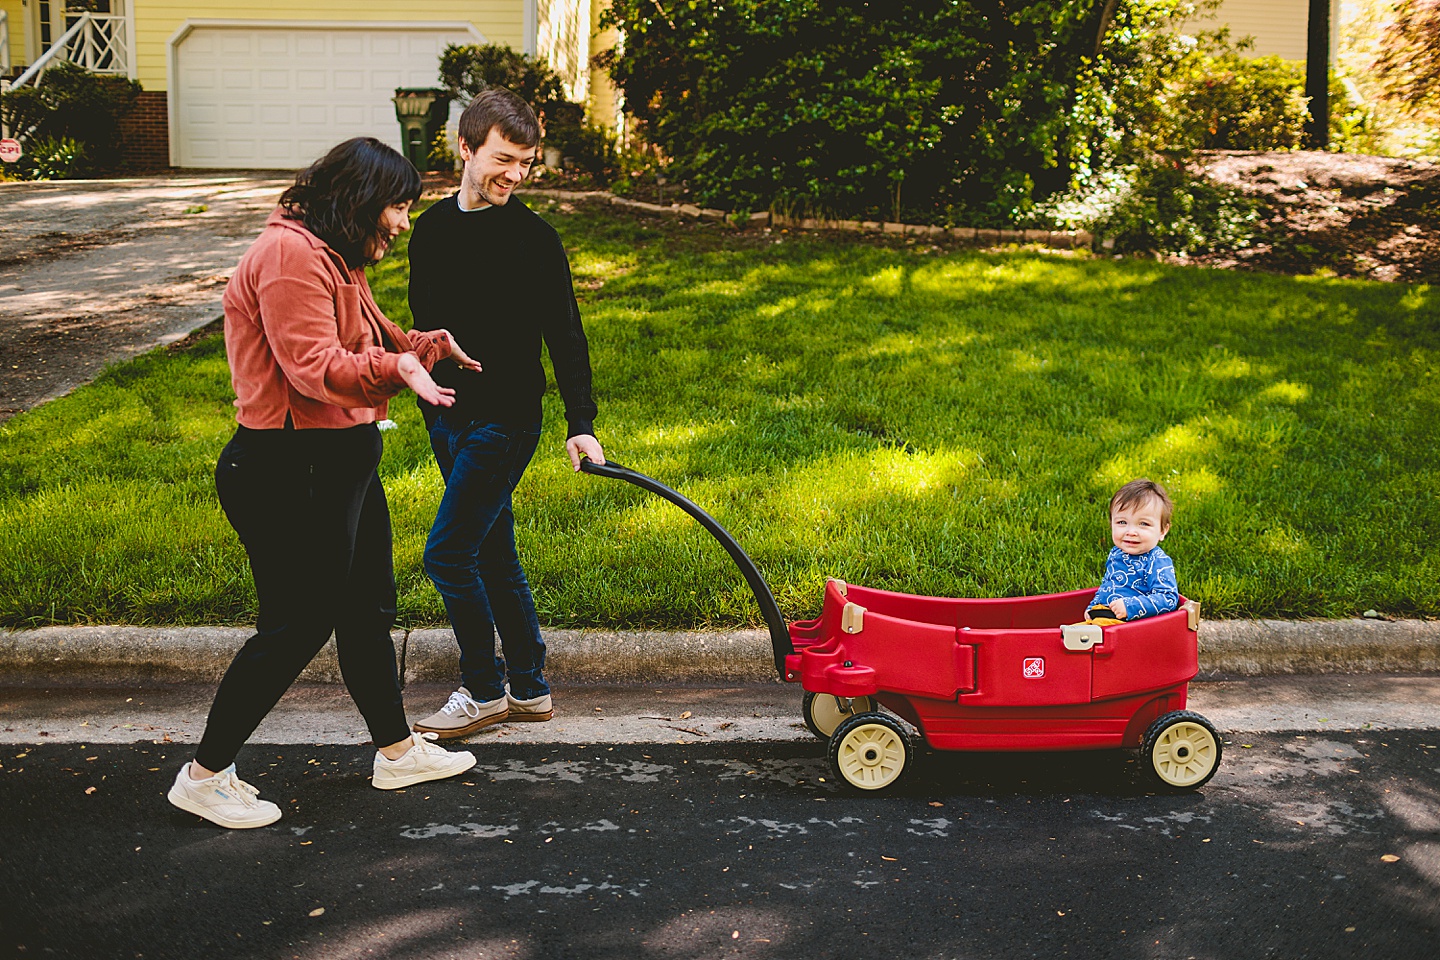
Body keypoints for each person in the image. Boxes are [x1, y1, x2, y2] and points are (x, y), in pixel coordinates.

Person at [168, 138, 483, 830]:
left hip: (340, 457)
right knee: (298, 622)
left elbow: (366, 342)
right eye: (398, 206)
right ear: (360, 200)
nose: (402, 222)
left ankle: (398, 752)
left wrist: (423, 348)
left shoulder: (329, 255)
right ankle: (204, 774)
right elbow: (315, 367)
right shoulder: (288, 258)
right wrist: (397, 372)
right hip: (288, 467)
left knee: (368, 607)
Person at [407, 88, 605, 739]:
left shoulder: (535, 240)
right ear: (465, 148)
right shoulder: (430, 230)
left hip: (508, 419)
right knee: (493, 555)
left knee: (447, 554)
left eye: (527, 163)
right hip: (449, 419)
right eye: (504, 158)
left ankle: (483, 690)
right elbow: (424, 326)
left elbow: (566, 336)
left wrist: (581, 423)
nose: (516, 175)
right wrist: (423, 393)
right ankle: (528, 687)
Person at [1086, 478, 1179, 624]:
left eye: (1143, 524)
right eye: (1122, 522)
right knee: (1071, 633)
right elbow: (1108, 586)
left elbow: (1168, 598)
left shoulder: (1156, 560)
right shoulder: (1116, 553)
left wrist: (1129, 606)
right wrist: (1092, 607)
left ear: (1162, 530)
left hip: (1132, 625)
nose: (1131, 532)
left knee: (1075, 638)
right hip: (1106, 616)